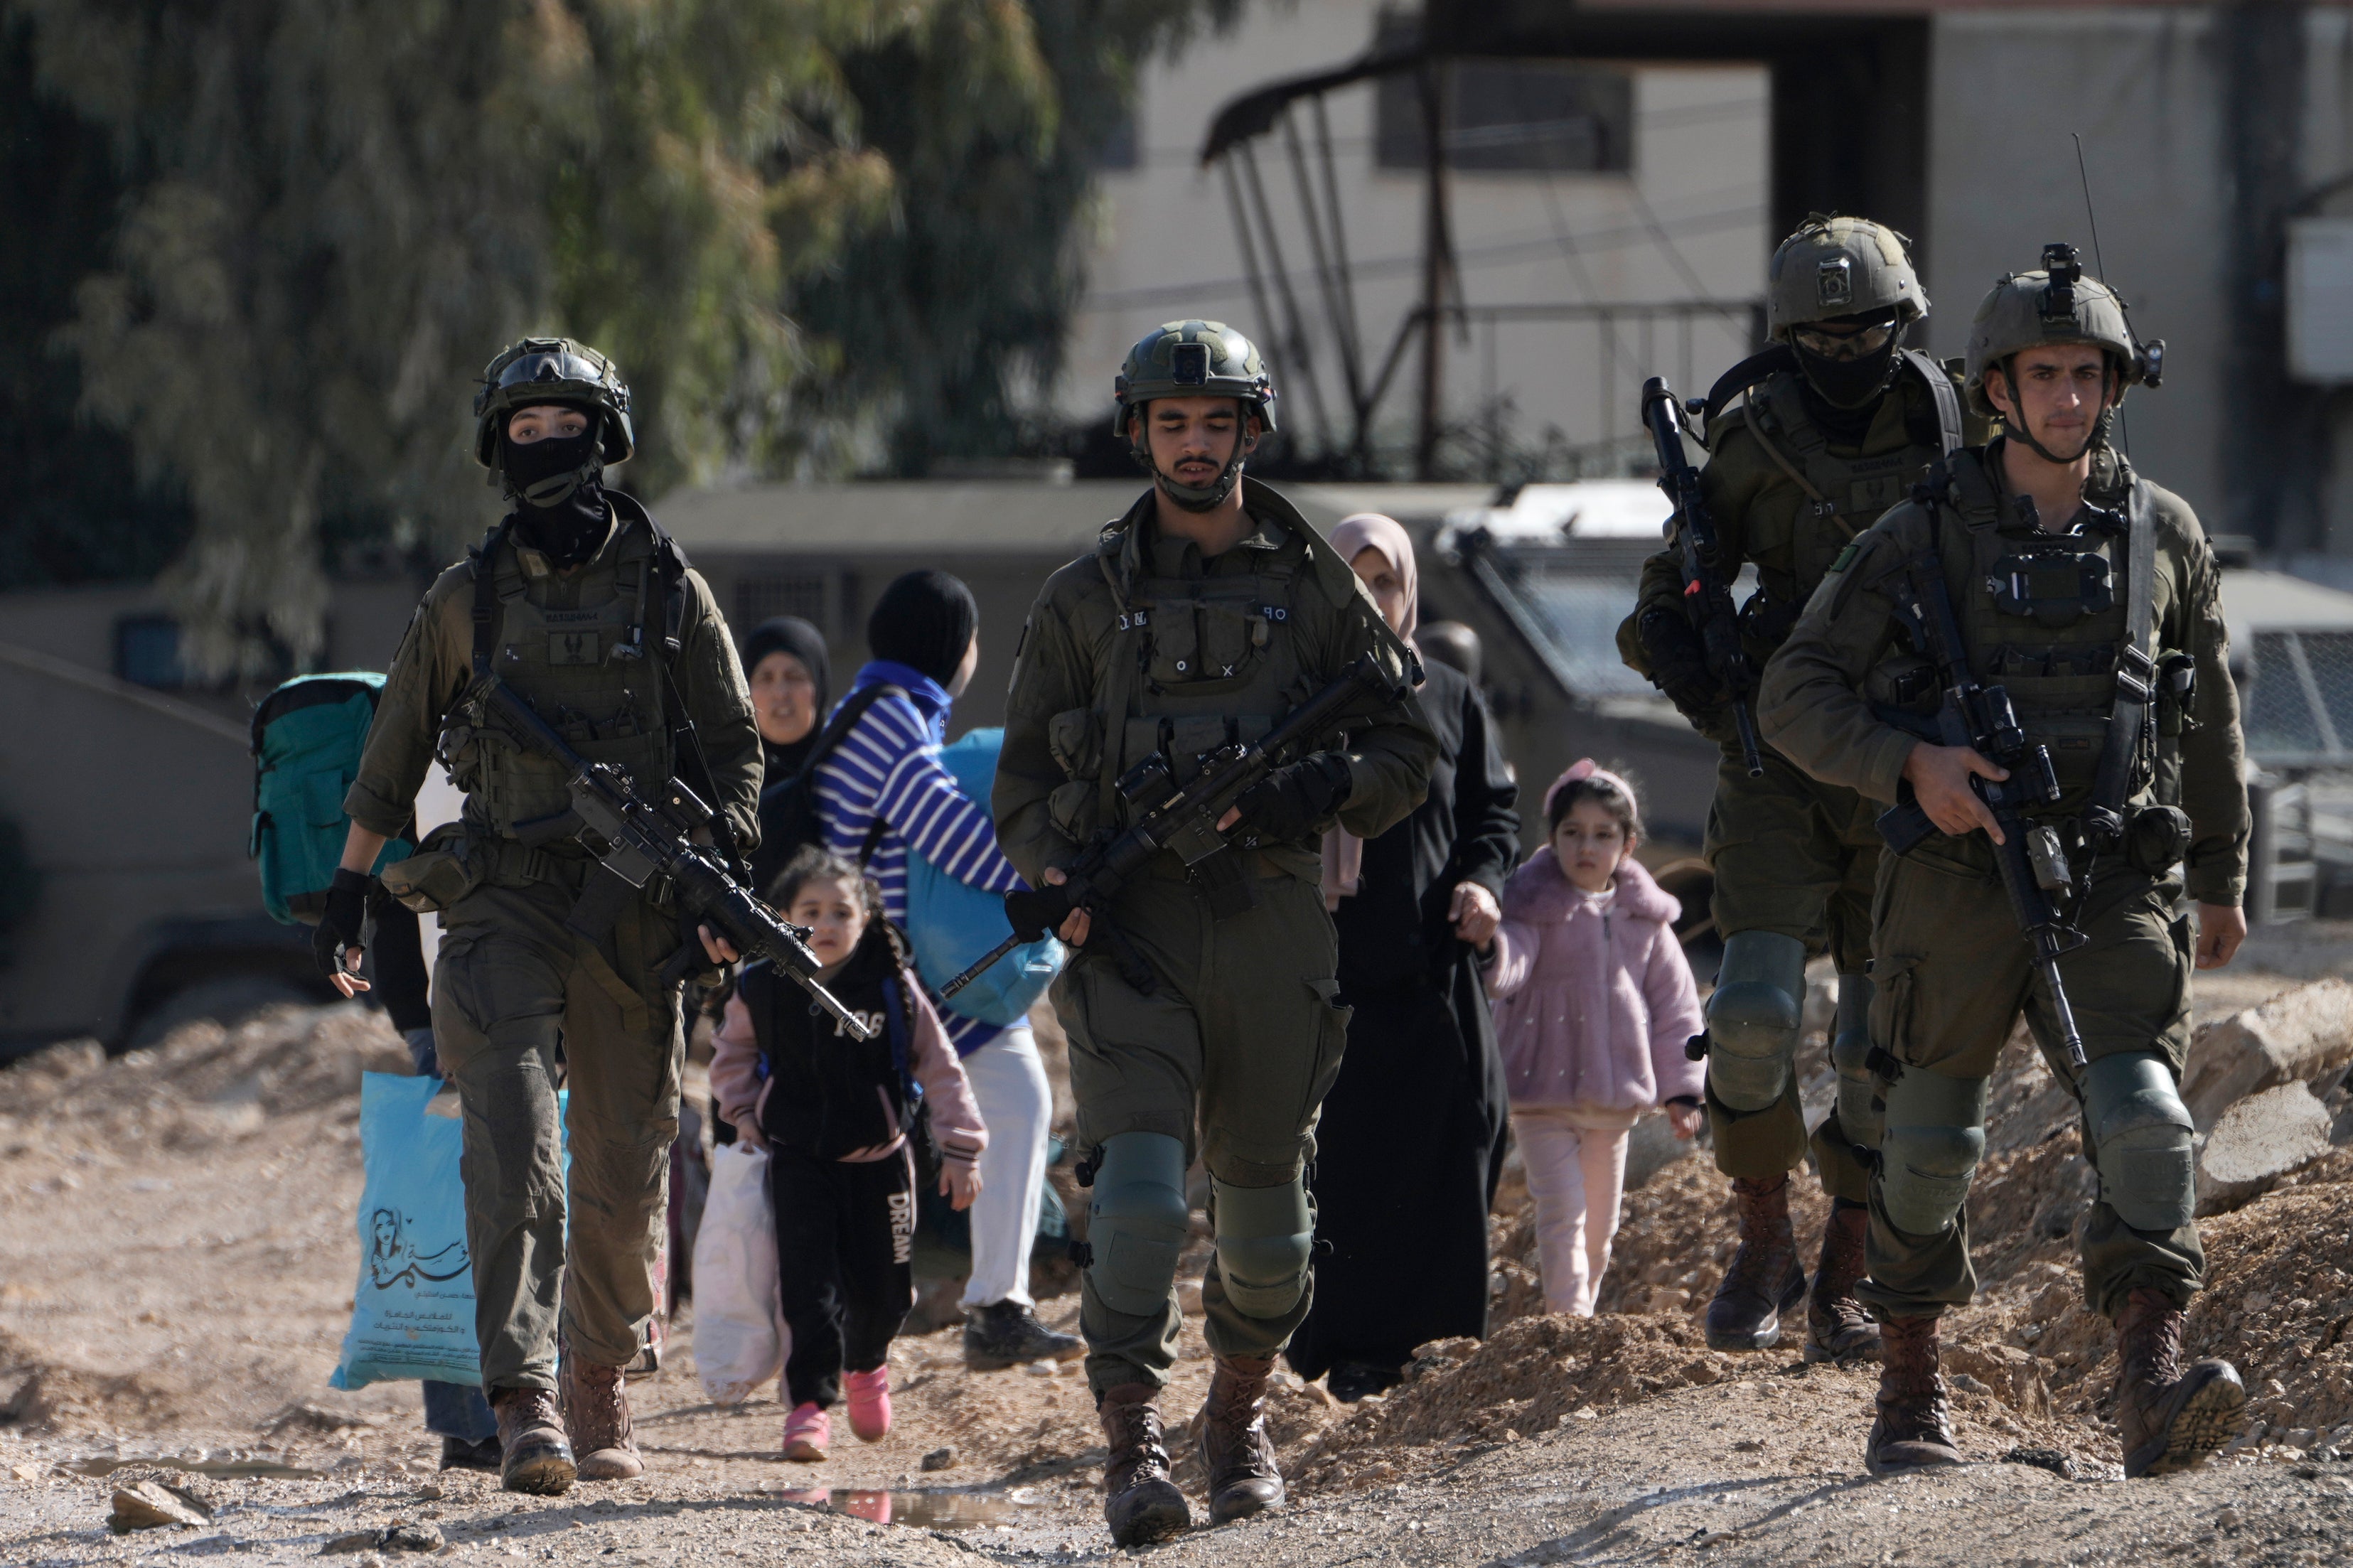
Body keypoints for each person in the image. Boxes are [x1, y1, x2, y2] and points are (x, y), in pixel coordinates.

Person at [1758, 251, 2250, 1476]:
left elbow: (2209, 715)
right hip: (1955, 886)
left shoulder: (2164, 532)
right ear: (1995, 387)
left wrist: (2221, 869)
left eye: (2091, 374)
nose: (2071, 398)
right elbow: (1795, 693)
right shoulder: (1920, 532)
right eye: (2047, 374)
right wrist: (1908, 765)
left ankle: (2150, 1376)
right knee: (1927, 1143)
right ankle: (1909, 1390)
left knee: (2146, 1121)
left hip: (2113, 880)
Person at [995, 320, 1435, 1545]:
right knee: (1135, 1201)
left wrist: (1320, 790)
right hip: (1131, 936)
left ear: (1253, 429)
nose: (1195, 445)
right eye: (1172, 423)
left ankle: (1237, 1417)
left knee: (1270, 1232)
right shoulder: (1081, 600)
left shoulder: (1313, 589)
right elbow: (1025, 780)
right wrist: (1048, 870)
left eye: (1217, 421)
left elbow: (1411, 748)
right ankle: (1133, 1444)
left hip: (1271, 934)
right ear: (1138, 434)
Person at [315, 338, 763, 1494]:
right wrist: (349, 892)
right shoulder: (467, 600)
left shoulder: (670, 590)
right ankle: (520, 1397)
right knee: (512, 1143)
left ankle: (598, 1377)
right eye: (524, 428)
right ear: (496, 448)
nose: (545, 444)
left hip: (637, 914)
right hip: (500, 904)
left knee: (623, 1164)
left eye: (566, 422)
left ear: (604, 436)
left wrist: (722, 871)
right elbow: (392, 752)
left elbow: (733, 749)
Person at [1616, 215, 1984, 1360]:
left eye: (1869, 329)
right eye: (1821, 337)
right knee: (1752, 1012)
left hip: (1908, 757)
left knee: (1883, 1039)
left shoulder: (1954, 424)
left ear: (1904, 321)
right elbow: (1662, 601)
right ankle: (1764, 1230)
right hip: (1776, 760)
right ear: (1786, 338)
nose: (1847, 350)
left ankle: (1846, 1257)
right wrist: (1720, 699)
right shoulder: (1749, 437)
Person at [811, 571, 1082, 1370]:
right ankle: (980, 1309)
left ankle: (993, 1306)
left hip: (883, 968)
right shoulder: (894, 718)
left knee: (1013, 1100)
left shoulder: (862, 710)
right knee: (988, 1107)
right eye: (971, 643)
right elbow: (946, 829)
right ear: (950, 648)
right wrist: (1041, 881)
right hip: (888, 975)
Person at [1282, 515, 1518, 1403]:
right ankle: (1348, 1349)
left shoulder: (1447, 695)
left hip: (1431, 971)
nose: (1370, 599)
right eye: (1352, 579)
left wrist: (1484, 885)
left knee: (1457, 1145)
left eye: (1385, 582)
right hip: (1323, 977)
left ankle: (1440, 1346)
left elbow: (1491, 814)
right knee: (1340, 1166)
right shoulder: (1290, 692)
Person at [707, 845, 985, 1460]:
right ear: (781, 916)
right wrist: (745, 1117)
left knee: (886, 1292)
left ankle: (868, 1366)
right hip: (799, 1161)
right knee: (807, 1290)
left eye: (842, 912)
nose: (827, 925)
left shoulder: (892, 987)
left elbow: (941, 1070)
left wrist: (962, 1151)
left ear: (867, 921)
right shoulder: (762, 986)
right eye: (811, 911)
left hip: (881, 1161)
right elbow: (729, 1059)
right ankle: (808, 1405)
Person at [1486, 763, 1703, 1316]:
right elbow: (1508, 967)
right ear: (1552, 838)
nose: (1587, 847)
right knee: (1562, 1211)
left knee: (1601, 1227)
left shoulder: (1644, 920)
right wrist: (1490, 951)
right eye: (1572, 832)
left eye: (1603, 835)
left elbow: (1676, 1009)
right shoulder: (1532, 906)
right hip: (1542, 1096)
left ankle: (1581, 1317)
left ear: (1628, 844)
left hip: (1615, 1101)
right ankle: (1570, 1321)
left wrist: (1682, 1091)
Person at [744, 616, 830, 779]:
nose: (781, 693)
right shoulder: (725, 778)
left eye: (794, 677)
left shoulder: (853, 768)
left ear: (819, 688)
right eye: (766, 678)